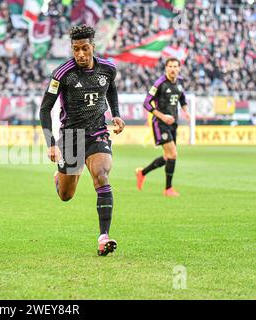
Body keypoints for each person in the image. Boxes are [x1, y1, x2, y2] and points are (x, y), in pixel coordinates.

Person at [39, 25, 125, 256]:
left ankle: (103, 236)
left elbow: (111, 90)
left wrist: (115, 114)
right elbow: (45, 109)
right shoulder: (62, 74)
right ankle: (60, 177)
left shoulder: (107, 69)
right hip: (71, 137)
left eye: (85, 48)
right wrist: (51, 143)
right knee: (66, 196)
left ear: (93, 47)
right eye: (76, 49)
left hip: (97, 133)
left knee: (101, 175)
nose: (80, 54)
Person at [135, 57, 191, 196]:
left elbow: (182, 97)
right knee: (173, 154)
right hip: (160, 123)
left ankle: (142, 173)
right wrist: (162, 116)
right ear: (166, 68)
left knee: (168, 157)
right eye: (170, 66)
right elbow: (147, 103)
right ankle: (168, 189)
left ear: (179, 68)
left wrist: (185, 111)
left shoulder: (180, 82)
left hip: (173, 123)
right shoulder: (159, 83)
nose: (172, 69)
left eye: (175, 66)